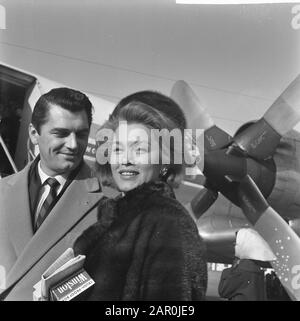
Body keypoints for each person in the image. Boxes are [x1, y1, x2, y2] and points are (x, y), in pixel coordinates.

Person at [73, 91, 208, 300]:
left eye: (140, 150)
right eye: (117, 149)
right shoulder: (117, 218)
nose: (125, 160)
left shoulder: (168, 223)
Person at [0, 88, 103, 300]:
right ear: (33, 134)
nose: (73, 145)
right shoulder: (2, 190)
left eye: (82, 134)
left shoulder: (108, 202)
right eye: (61, 133)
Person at [218, 228, 276, 301]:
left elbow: (223, 291)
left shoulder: (240, 272)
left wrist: (229, 270)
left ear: (244, 246)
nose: (235, 246)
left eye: (236, 243)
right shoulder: (257, 271)